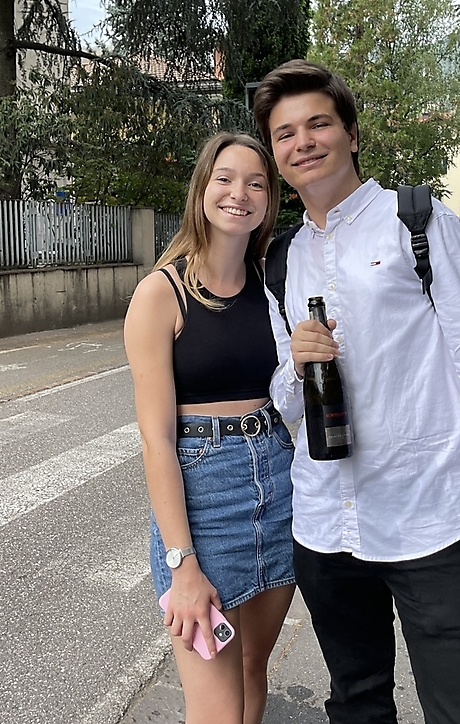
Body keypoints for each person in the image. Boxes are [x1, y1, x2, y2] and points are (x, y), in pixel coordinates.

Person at [253, 60, 460, 724]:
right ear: (275, 153)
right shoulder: (280, 258)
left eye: (318, 124)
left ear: (351, 134)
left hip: (433, 519)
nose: (303, 142)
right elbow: (284, 402)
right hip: (326, 527)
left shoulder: (417, 221)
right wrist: (297, 365)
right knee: (356, 704)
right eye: (285, 134)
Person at [123, 132, 295, 724]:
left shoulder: (273, 286)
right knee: (216, 708)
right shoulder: (160, 294)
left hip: (279, 484)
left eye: (256, 183)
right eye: (225, 178)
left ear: (269, 200)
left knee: (252, 669)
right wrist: (182, 563)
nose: (239, 193)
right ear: (202, 189)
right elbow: (156, 442)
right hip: (206, 502)